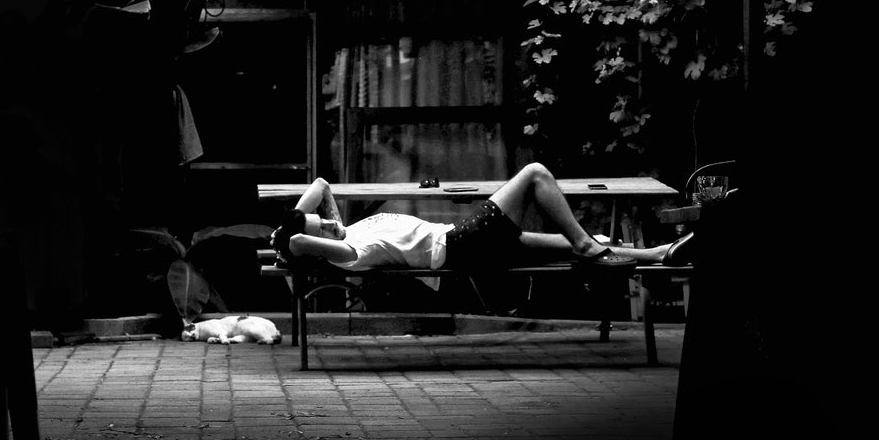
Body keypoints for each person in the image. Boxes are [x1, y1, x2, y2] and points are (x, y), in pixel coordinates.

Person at [270, 162, 694, 271]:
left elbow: (322, 185)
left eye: (324, 220)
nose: (328, 221)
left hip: (467, 243)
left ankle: (658, 253)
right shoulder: (348, 251)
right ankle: (586, 243)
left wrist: (294, 218)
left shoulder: (347, 230)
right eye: (323, 227)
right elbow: (299, 242)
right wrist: (290, 243)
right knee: (534, 175)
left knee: (572, 248)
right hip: (463, 243)